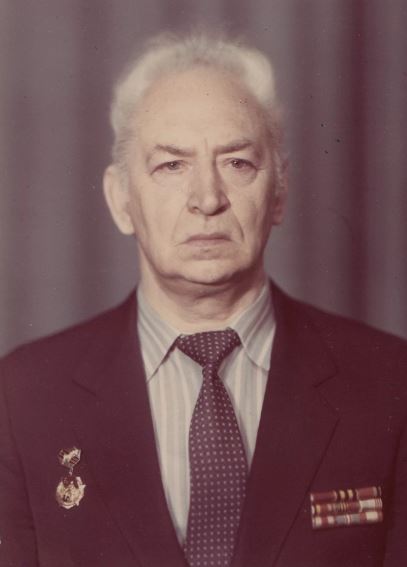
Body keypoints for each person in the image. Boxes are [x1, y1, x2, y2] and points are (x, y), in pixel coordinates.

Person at [0, 31, 406, 567]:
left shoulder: (390, 382)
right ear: (121, 200)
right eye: (171, 165)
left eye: (237, 163)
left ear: (279, 191)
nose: (207, 199)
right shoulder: (23, 398)